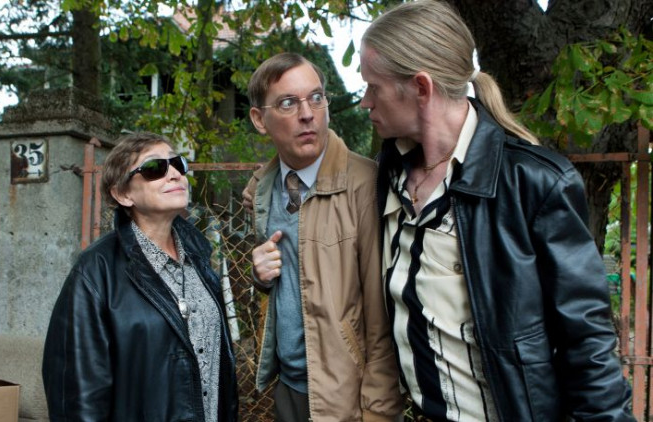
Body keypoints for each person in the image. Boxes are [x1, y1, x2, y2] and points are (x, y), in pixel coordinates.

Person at [359, 1, 634, 420]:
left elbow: (588, 343)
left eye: (373, 87)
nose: (365, 102)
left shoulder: (534, 183)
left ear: (420, 88)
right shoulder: (388, 175)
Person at [244, 52, 403, 422]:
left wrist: (379, 412)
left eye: (316, 98)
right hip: (289, 388)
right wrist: (260, 276)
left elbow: (382, 318)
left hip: (348, 399)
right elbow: (294, 278)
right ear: (259, 119)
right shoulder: (264, 190)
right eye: (288, 103)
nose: (307, 114)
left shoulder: (365, 186)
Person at [42, 132, 238, 421]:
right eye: (155, 168)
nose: (174, 174)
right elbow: (77, 395)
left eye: (178, 164)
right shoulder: (95, 272)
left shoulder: (199, 259)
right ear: (123, 194)